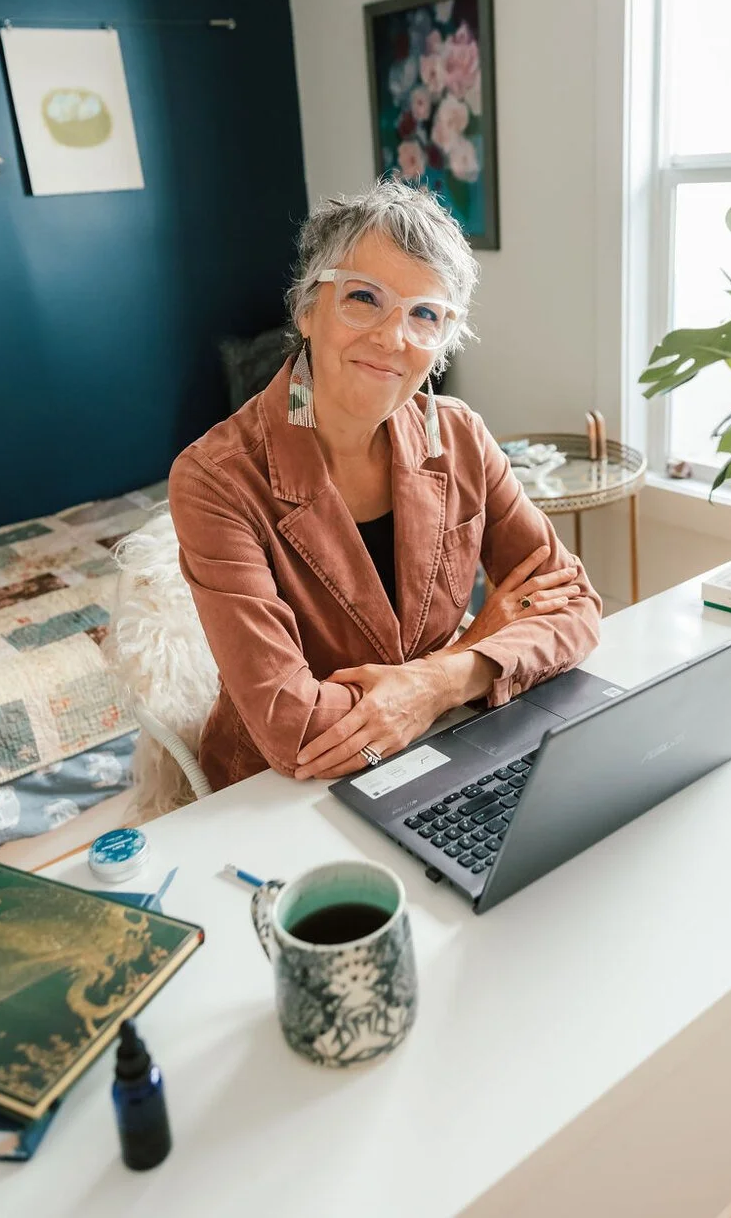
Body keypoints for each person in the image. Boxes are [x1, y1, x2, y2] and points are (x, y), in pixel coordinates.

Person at [169, 181, 602, 789]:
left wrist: (435, 683)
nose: (392, 337)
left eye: (424, 314)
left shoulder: (461, 438)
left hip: (437, 752)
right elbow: (294, 729)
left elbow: (577, 608)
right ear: (307, 309)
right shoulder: (216, 479)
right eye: (364, 298)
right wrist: (472, 649)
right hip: (276, 792)